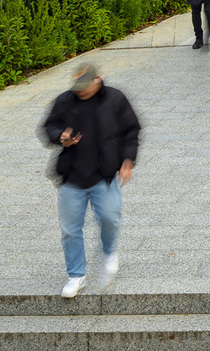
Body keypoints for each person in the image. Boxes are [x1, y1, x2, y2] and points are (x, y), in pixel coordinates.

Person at [42, 61, 142, 298]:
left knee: (110, 218)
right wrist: (60, 137)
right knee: (70, 230)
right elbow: (48, 127)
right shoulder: (65, 101)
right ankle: (76, 276)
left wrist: (128, 159)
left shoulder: (115, 99)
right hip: (71, 177)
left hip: (103, 176)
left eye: (85, 86)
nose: (81, 91)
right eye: (78, 87)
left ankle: (109, 252)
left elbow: (132, 130)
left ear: (98, 79)